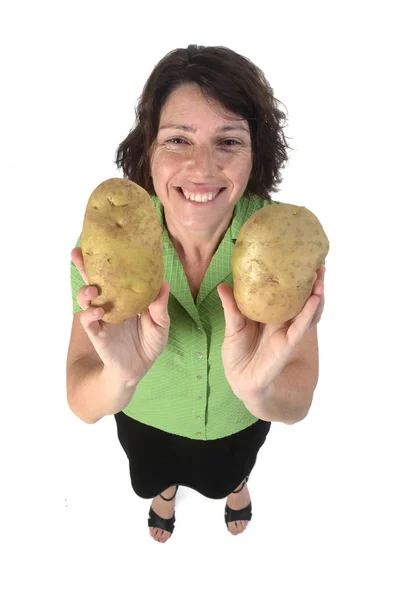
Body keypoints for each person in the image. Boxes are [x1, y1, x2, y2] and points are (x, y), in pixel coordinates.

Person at [66, 44, 325, 544]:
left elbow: (300, 400)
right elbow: (81, 399)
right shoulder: (105, 251)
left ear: (256, 155)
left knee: (230, 468)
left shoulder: (282, 244)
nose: (202, 167)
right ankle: (165, 495)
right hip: (146, 418)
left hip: (239, 422)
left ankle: (235, 488)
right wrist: (118, 378)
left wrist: (258, 391)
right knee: (152, 475)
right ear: (148, 150)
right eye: (178, 139)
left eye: (228, 141)